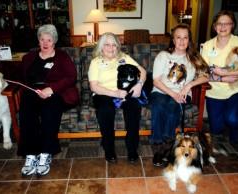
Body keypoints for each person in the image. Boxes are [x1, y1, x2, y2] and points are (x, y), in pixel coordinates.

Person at [17, 24, 79, 176]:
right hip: (33, 93)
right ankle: (31, 155)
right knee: (26, 111)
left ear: (54, 41)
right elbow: (19, 77)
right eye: (42, 39)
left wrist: (51, 89)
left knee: (49, 110)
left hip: (56, 92)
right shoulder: (28, 57)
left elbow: (71, 77)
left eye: (49, 40)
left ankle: (45, 153)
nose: (45, 43)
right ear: (38, 40)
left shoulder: (62, 57)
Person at [150, 24, 209, 166]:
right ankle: (158, 146)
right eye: (178, 37)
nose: (182, 41)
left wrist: (189, 85)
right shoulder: (163, 56)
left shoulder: (194, 58)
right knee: (158, 107)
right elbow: (156, 81)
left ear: (189, 40)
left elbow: (206, 76)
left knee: (172, 110)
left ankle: (167, 146)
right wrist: (172, 93)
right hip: (160, 91)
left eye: (185, 37)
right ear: (173, 40)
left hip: (182, 94)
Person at [88, 32, 146, 163]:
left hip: (125, 93)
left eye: (114, 45)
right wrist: (115, 93)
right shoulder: (95, 62)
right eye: (107, 45)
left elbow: (142, 71)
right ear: (101, 47)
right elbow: (94, 87)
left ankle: (132, 149)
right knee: (105, 110)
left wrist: (139, 85)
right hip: (104, 93)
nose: (111, 48)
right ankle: (109, 149)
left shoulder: (124, 57)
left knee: (134, 107)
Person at [201, 10, 238, 147]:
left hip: (235, 88)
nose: (222, 27)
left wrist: (222, 72)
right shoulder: (207, 46)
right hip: (214, 91)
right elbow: (204, 74)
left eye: (227, 23)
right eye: (219, 23)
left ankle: (235, 130)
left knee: (232, 118)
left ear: (232, 25)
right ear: (214, 26)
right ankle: (225, 118)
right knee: (216, 129)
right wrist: (223, 78)